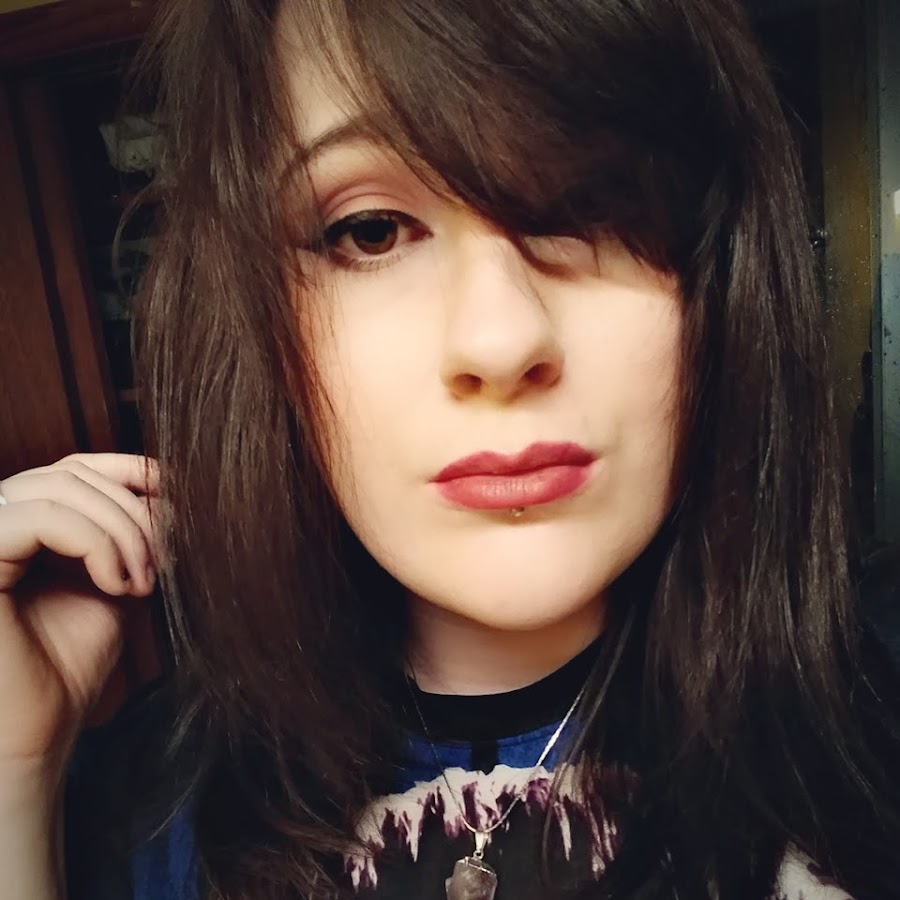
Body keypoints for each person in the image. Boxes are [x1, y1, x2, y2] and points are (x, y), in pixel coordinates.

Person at [1, 0, 898, 898]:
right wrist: (15, 774)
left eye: (591, 205)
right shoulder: (146, 809)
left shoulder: (873, 729)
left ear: (720, 278)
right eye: (371, 230)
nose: (500, 342)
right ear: (255, 321)